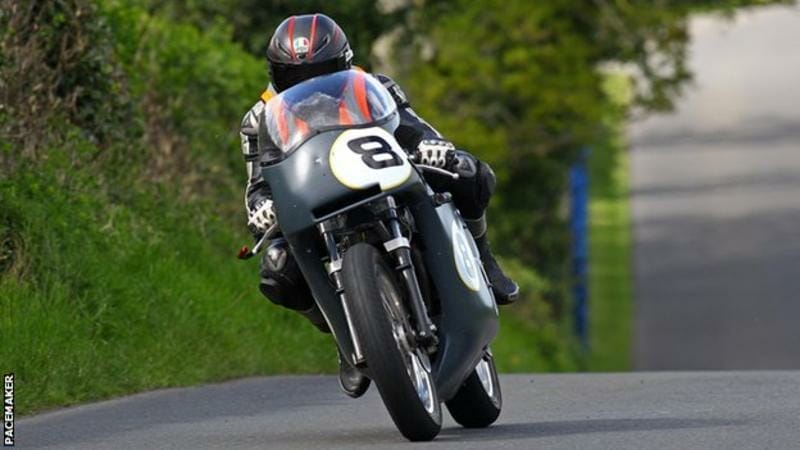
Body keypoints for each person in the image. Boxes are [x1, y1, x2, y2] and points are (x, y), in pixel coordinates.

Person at [239, 13, 518, 397]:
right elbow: (257, 183)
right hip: (315, 202)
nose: (310, 86)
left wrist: (435, 149)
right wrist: (260, 209)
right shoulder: (258, 120)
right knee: (277, 268)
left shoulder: (372, 86)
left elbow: (415, 129)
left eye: (321, 73)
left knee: (470, 173)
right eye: (295, 77)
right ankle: (345, 335)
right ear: (276, 75)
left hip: (382, 179)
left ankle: (485, 261)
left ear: (343, 63)